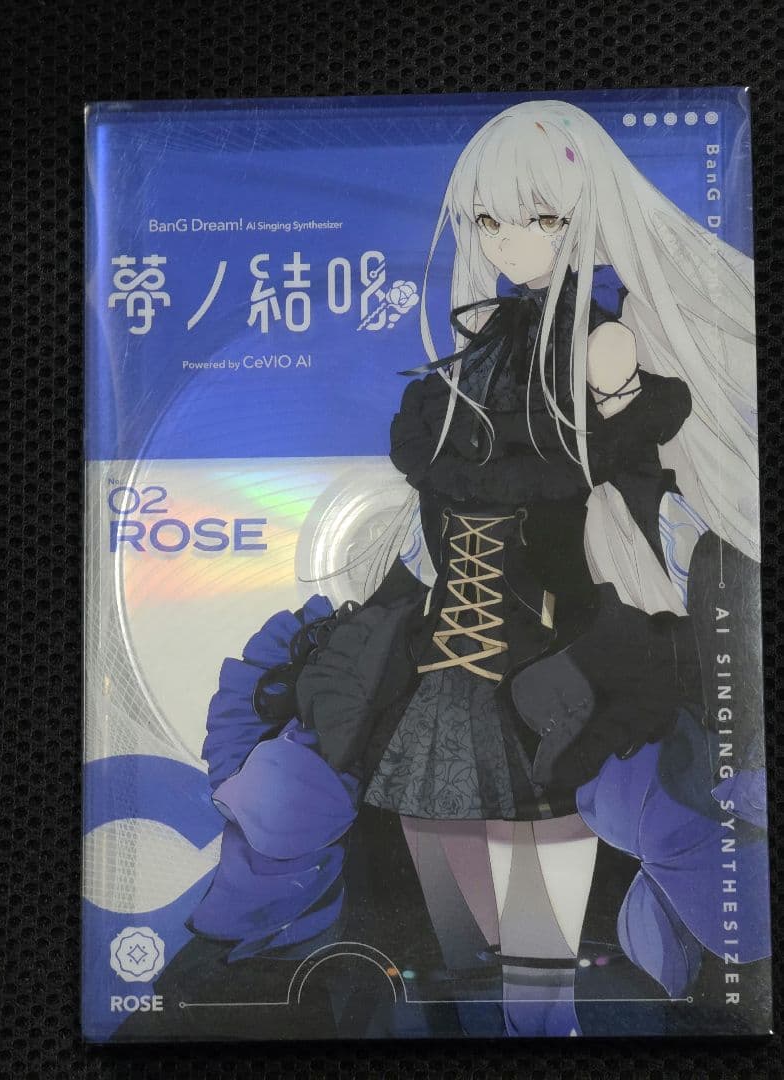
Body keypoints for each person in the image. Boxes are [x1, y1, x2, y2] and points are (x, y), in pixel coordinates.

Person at [187, 100, 767, 1038]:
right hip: (439, 677)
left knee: (536, 956)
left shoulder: (611, 343)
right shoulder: (475, 358)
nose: (512, 240)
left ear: (590, 213)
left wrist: (622, 393)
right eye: (491, 219)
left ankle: (557, 1020)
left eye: (542, 217)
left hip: (552, 669)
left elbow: (642, 489)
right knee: (463, 950)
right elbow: (440, 520)